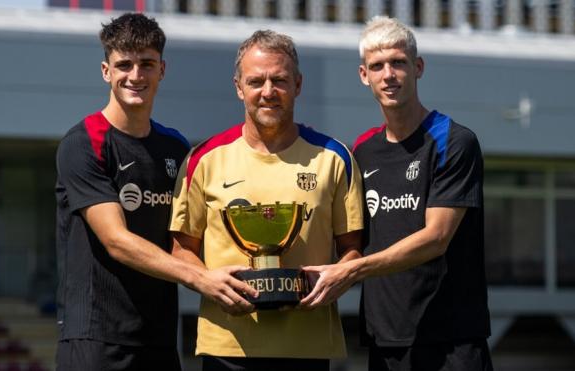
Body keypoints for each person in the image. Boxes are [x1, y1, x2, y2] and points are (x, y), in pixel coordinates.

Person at [55, 13, 257, 371]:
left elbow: (190, 235)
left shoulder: (176, 147)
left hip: (160, 339)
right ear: (106, 71)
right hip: (97, 339)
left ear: (162, 70)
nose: (135, 76)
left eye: (146, 64)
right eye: (124, 65)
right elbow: (116, 240)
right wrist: (202, 279)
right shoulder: (84, 143)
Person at [300, 16, 493, 371]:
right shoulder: (362, 151)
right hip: (384, 341)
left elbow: (436, 238)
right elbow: (349, 236)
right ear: (364, 75)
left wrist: (353, 271)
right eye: (377, 66)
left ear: (418, 67)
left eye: (398, 62)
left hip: (451, 341)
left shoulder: (453, 141)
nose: (388, 74)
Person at [169, 30, 364, 371]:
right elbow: (181, 249)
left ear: (298, 85)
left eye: (280, 80)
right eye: (256, 81)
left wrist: (338, 277)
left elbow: (352, 249)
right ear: (238, 87)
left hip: (307, 345)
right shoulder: (204, 159)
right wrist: (207, 281)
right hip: (228, 345)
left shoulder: (334, 157)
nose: (268, 92)